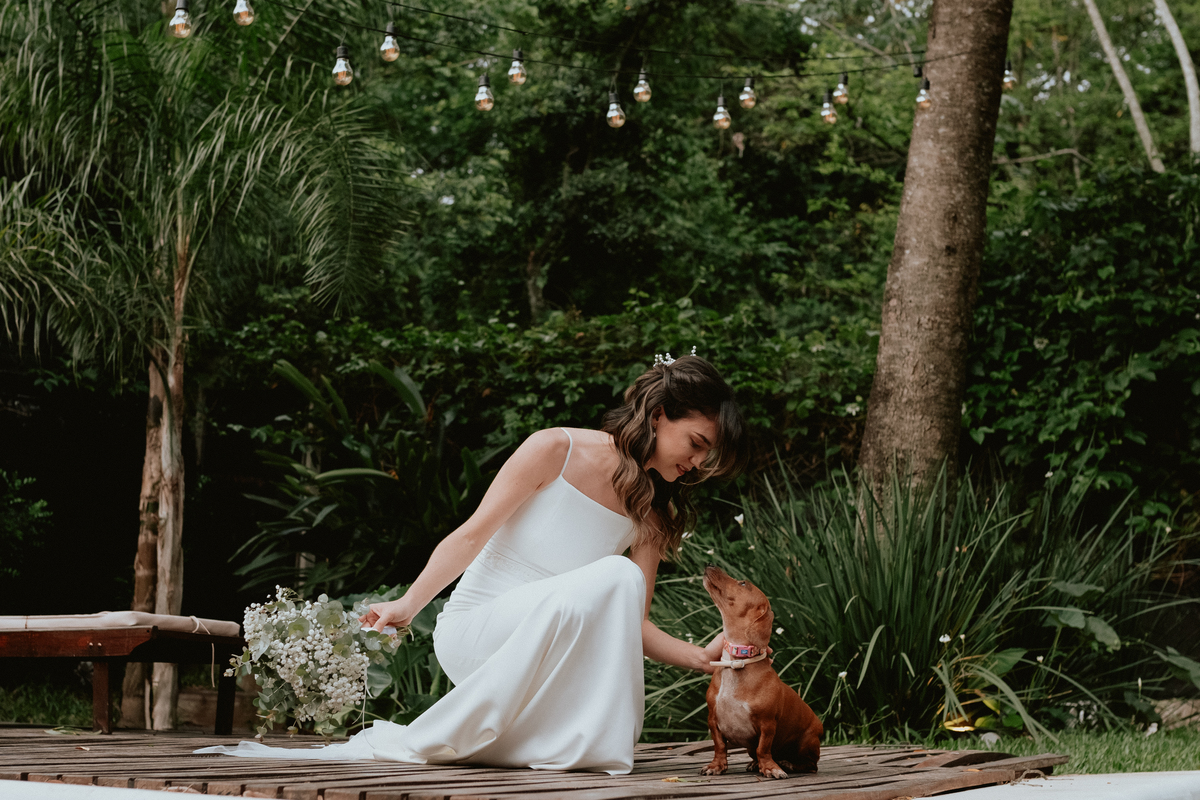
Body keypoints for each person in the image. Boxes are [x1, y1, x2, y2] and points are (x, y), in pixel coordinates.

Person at [197, 353, 747, 775]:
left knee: (619, 583)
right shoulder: (555, 448)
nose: (696, 461)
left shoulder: (650, 511)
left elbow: (630, 621)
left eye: (707, 456)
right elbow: (471, 534)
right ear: (658, 415)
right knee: (619, 575)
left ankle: (560, 746)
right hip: (480, 630)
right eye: (695, 442)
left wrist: (704, 659)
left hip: (547, 648)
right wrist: (408, 604)